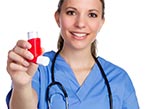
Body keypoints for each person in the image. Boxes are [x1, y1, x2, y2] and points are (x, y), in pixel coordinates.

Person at [6, 0, 139, 109]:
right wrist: (22, 85)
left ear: (101, 23)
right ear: (58, 18)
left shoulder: (118, 79)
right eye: (71, 12)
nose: (80, 24)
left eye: (92, 14)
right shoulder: (37, 69)